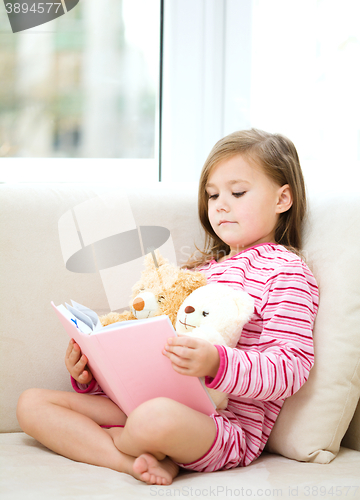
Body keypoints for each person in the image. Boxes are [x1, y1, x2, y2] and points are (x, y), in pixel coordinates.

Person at [16, 128, 319, 486]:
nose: (221, 204)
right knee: (32, 404)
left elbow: (291, 367)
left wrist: (216, 363)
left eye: (237, 192)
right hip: (145, 401)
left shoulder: (286, 271)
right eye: (212, 195)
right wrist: (93, 372)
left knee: (153, 418)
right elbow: (154, 349)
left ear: (283, 199)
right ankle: (131, 461)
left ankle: (126, 443)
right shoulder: (194, 272)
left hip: (219, 425)